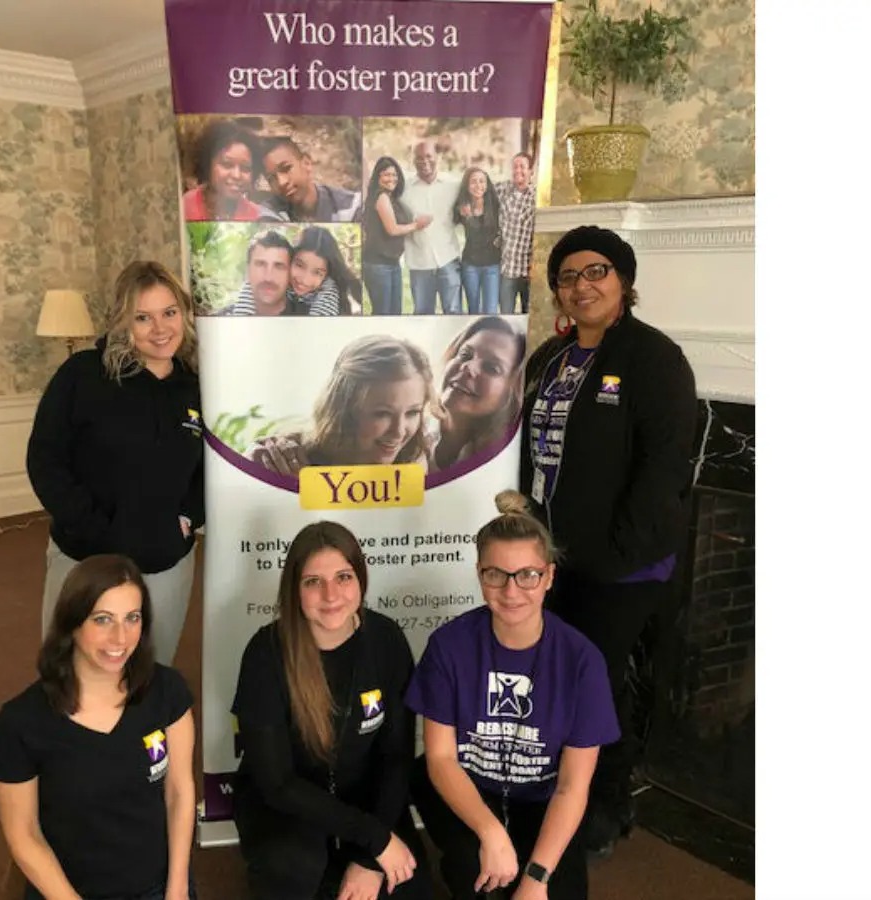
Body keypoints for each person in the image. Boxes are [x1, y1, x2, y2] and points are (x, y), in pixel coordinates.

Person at [520, 225, 698, 857]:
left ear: (624, 281)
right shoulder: (549, 358)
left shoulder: (653, 358)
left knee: (595, 682)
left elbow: (664, 467)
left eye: (597, 271)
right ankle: (558, 794)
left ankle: (605, 807)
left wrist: (614, 552)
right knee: (557, 675)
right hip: (551, 559)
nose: (582, 285)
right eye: (568, 276)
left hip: (622, 565)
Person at [405, 491, 619, 900]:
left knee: (554, 889)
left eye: (527, 575)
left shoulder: (581, 660)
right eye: (495, 574)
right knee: (476, 874)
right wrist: (490, 833)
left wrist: (536, 878)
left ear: (549, 577)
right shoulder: (449, 646)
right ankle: (467, 858)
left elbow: (572, 786)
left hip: (544, 794)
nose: (511, 590)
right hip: (468, 786)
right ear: (479, 574)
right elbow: (441, 758)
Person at [231, 522, 431, 900]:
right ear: (294, 589)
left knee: (409, 890)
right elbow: (277, 783)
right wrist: (376, 840)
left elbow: (396, 757)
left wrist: (369, 859)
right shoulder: (266, 652)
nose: (331, 595)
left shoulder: (386, 639)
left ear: (361, 579)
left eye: (343, 577)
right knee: (294, 866)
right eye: (312, 582)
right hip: (287, 805)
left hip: (366, 798)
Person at [0, 554, 197, 900]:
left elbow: (179, 792)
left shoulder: (167, 691)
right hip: (68, 891)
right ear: (73, 624)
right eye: (102, 619)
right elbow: (24, 834)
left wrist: (177, 889)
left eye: (132, 618)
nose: (120, 638)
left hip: (156, 886)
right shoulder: (21, 722)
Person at [27, 261, 202, 667]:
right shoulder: (83, 375)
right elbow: (46, 460)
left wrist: (189, 518)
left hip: (165, 561)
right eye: (143, 317)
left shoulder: (194, 386)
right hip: (85, 557)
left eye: (169, 313)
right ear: (124, 321)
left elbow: (206, 468)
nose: (160, 329)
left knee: (150, 672)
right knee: (70, 672)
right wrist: (95, 530)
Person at [246, 334, 437, 475]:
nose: (399, 432)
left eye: (412, 412)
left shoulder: (413, 456)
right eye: (382, 414)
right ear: (345, 409)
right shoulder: (282, 461)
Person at [431, 316, 525, 471]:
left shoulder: (505, 466)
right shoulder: (405, 436)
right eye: (465, 355)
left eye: (491, 368)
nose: (467, 367)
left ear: (513, 391)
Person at [227, 226, 358, 316]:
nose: (304, 280)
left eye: (317, 272)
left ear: (326, 275)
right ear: (290, 260)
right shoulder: (268, 283)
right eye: (300, 265)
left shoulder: (327, 293)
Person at [361, 156, 430, 316]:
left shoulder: (393, 198)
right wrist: (417, 225)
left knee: (394, 313)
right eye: (386, 175)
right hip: (377, 264)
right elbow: (392, 229)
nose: (391, 179)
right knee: (383, 313)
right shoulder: (381, 197)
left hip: (391, 263)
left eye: (394, 175)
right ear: (377, 176)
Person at [403, 141, 462, 315]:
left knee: (453, 313)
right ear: (413, 161)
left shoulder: (454, 185)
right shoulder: (404, 189)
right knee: (422, 314)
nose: (424, 161)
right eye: (419, 157)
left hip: (448, 259)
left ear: (438, 158)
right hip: (419, 262)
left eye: (429, 156)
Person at [258, 135, 362, 223]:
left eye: (286, 168)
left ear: (306, 163)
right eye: (271, 178)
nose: (281, 182)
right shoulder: (269, 212)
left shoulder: (351, 207)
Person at [182, 120, 262, 222]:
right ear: (207, 163)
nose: (236, 175)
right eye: (227, 165)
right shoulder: (184, 207)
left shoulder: (257, 216)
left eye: (245, 168)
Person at [219, 231, 309, 317]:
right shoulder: (221, 322)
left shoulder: (312, 317)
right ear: (247, 270)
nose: (268, 278)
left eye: (279, 266)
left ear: (290, 273)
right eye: (260, 264)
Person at [452, 166, 502, 315]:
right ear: (467, 186)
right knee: (473, 310)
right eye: (473, 182)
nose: (478, 185)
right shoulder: (462, 208)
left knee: (490, 310)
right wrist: (465, 216)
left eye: (482, 181)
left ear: (487, 185)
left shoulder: (495, 205)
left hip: (492, 265)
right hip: (470, 266)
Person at [495, 153, 537, 315]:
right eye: (515, 166)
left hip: (527, 270)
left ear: (530, 171)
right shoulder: (502, 190)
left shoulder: (536, 197)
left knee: (528, 316)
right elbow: (479, 190)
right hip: (507, 269)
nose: (517, 170)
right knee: (506, 316)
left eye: (522, 167)